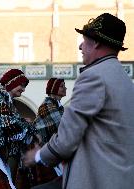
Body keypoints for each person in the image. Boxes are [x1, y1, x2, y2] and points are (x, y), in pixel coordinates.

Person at [23, 13, 134, 189]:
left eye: (84, 40)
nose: (81, 46)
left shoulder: (93, 76)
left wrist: (37, 156)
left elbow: (66, 140)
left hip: (95, 178)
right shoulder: (125, 79)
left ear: (96, 42)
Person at [26, 78, 66, 188]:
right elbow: (63, 124)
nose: (65, 88)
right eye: (62, 86)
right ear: (54, 89)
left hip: (49, 147)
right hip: (42, 146)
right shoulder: (47, 106)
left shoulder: (58, 106)